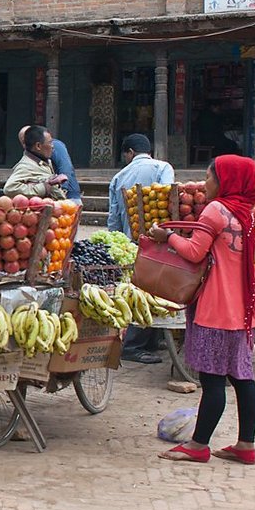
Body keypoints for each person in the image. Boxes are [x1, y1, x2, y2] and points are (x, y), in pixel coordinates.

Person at [150, 155, 255, 465]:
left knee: (213, 380)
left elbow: (194, 251)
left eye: (210, 177)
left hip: (216, 307)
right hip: (243, 309)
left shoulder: (216, 210)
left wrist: (168, 236)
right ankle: (246, 445)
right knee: (243, 377)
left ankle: (199, 445)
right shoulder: (247, 212)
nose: (205, 184)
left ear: (226, 181)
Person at [108, 134, 176, 363]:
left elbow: (114, 218)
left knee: (143, 290)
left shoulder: (119, 177)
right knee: (156, 290)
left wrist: (116, 244)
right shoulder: (162, 167)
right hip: (159, 239)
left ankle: (150, 339)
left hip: (132, 241)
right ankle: (134, 345)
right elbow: (168, 199)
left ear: (129, 152)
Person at [3, 125, 69, 199]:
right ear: (38, 146)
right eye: (50, 143)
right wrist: (44, 187)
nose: (52, 146)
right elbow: (9, 189)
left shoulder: (44, 161)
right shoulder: (26, 166)